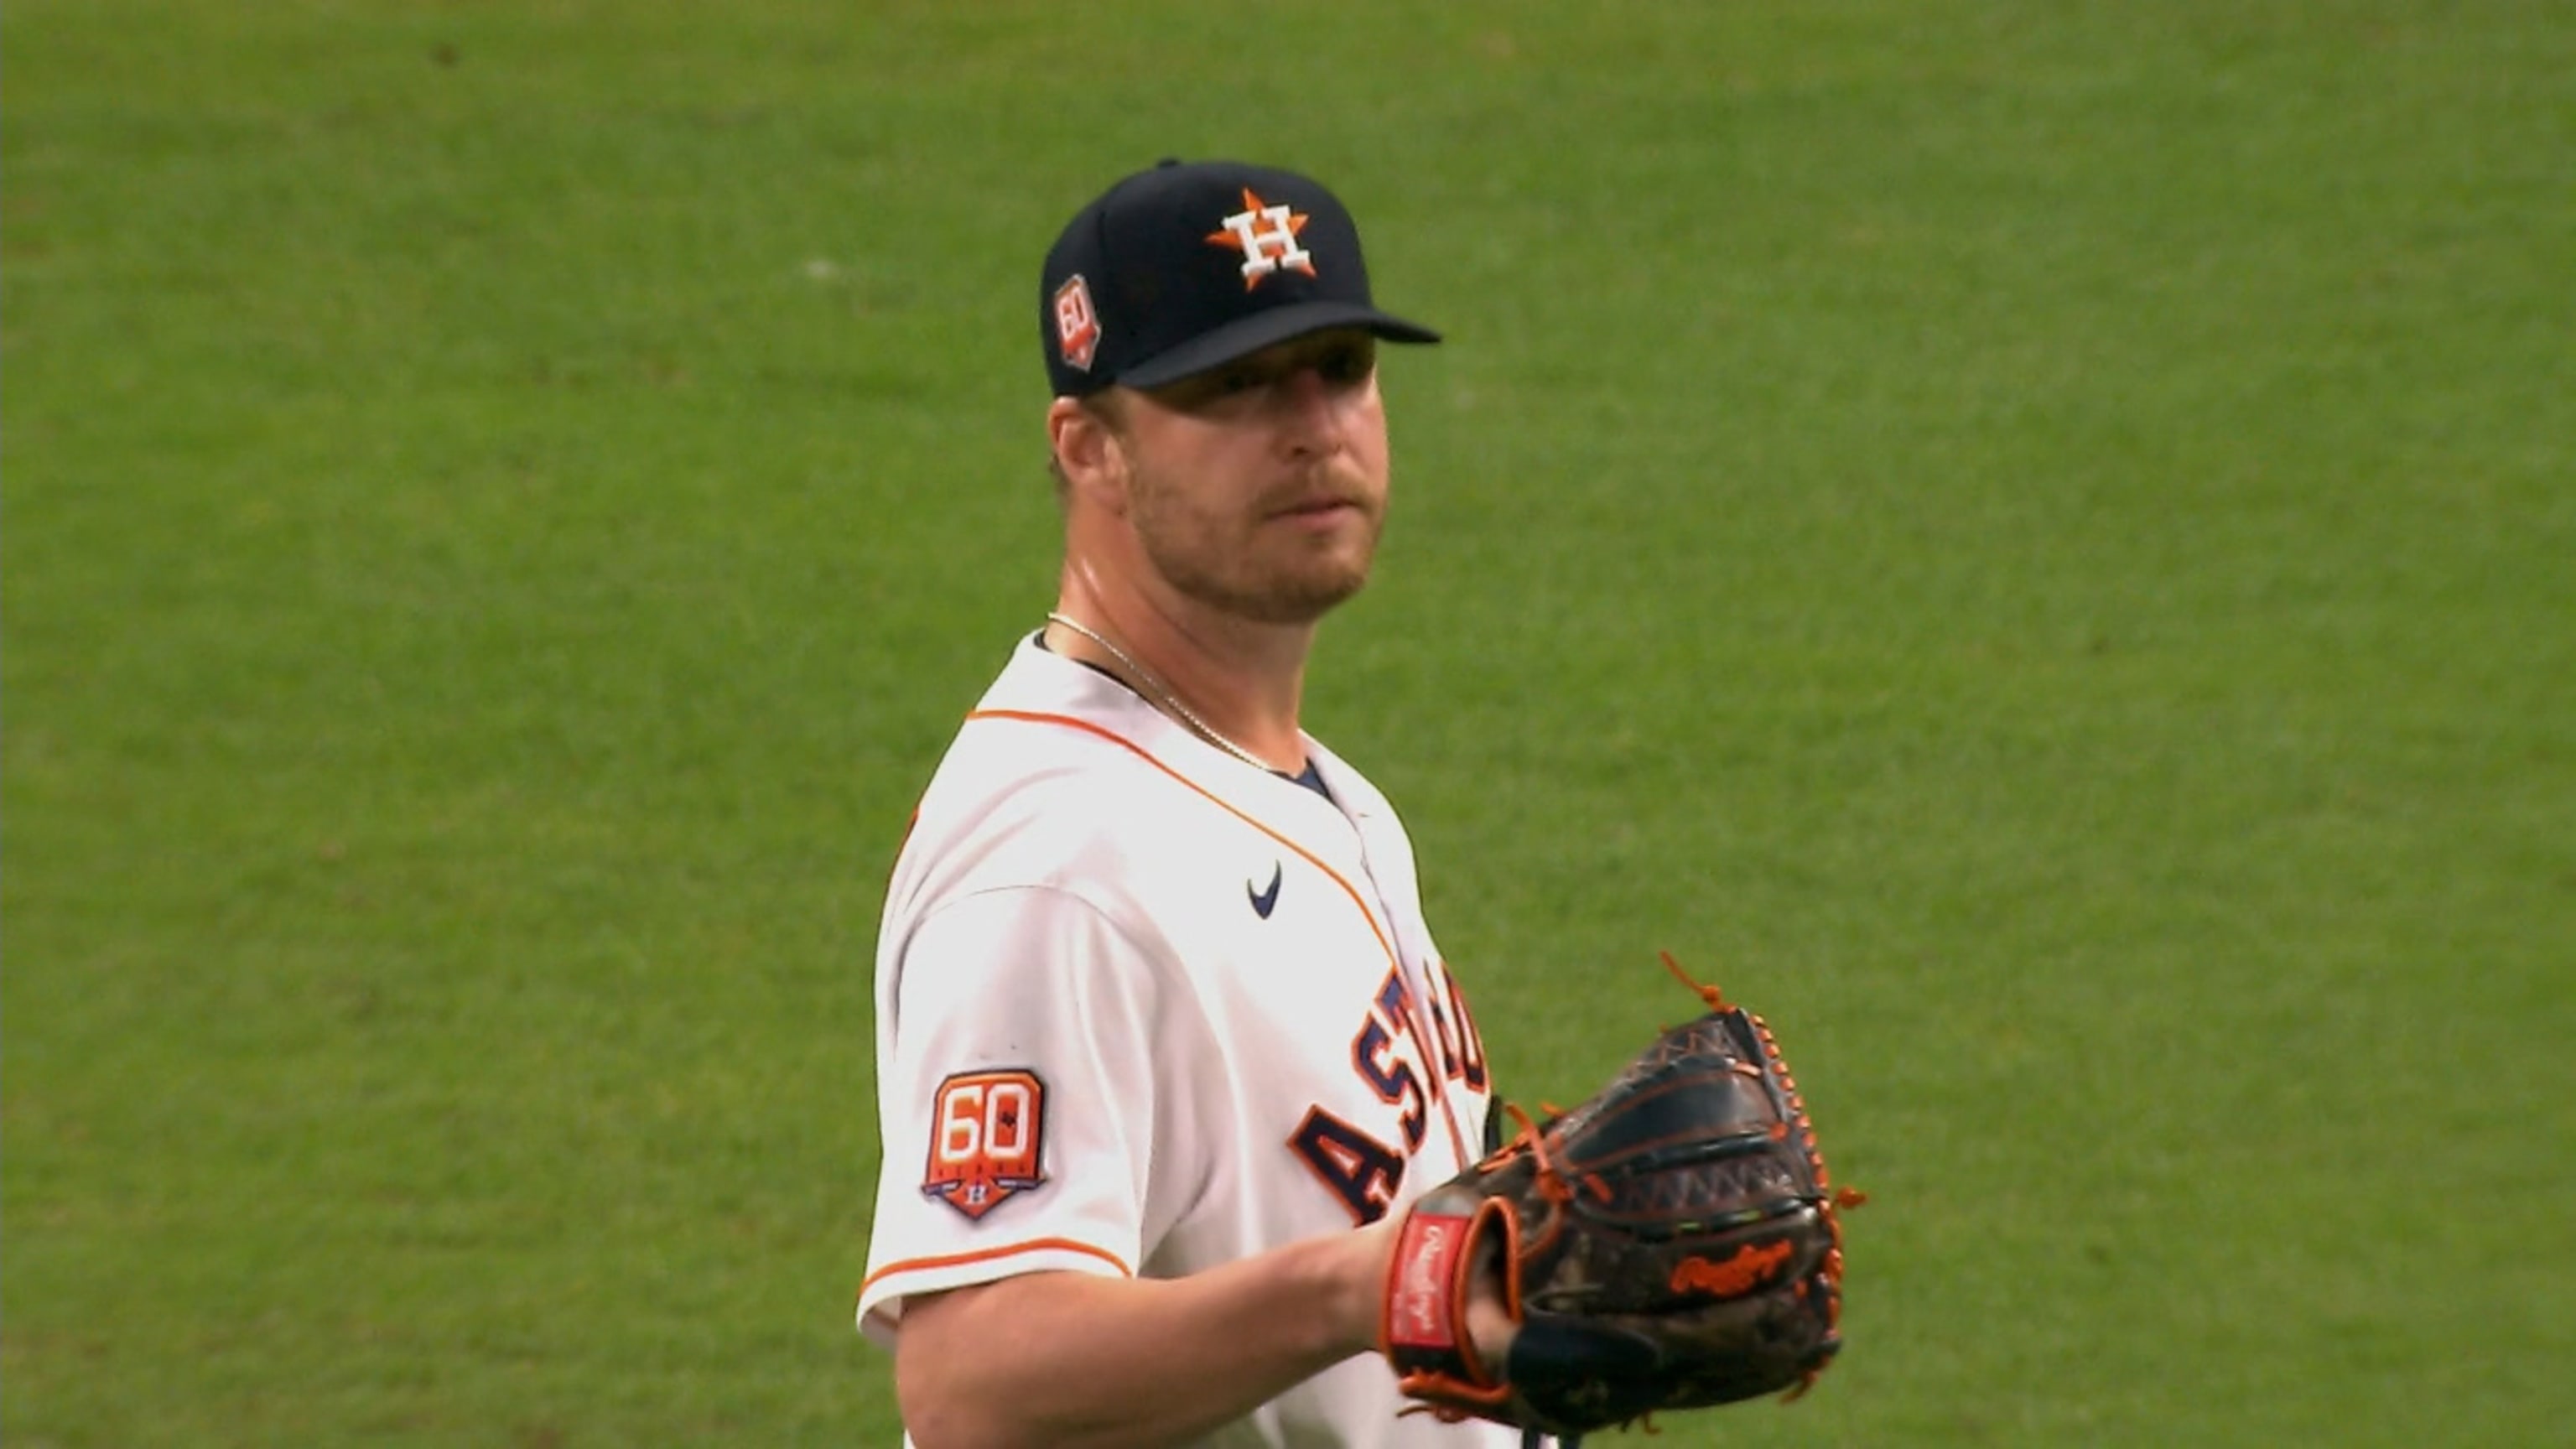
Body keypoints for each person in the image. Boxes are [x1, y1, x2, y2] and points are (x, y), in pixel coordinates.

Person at [856, 158, 1531, 1449]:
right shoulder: (1060, 863)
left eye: (1341, 367)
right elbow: (969, 1384)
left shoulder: (1314, 787)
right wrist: (1363, 1287)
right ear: (1090, 450)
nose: (1314, 426)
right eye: (1233, 385)